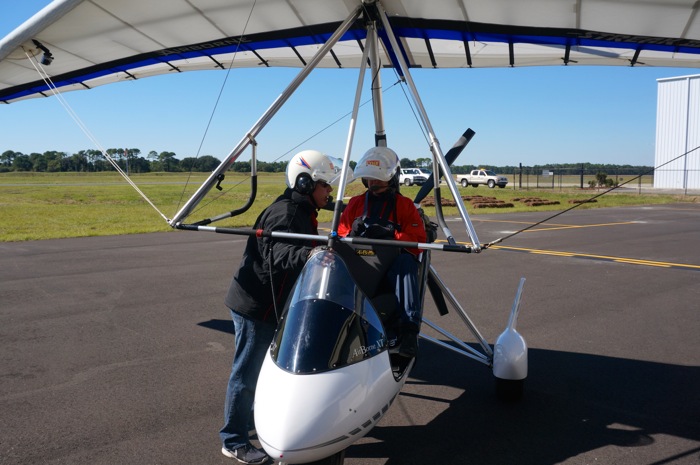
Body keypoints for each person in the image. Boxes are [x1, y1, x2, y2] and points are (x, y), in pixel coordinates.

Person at [220, 149, 347, 464]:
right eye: (325, 185)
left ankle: (251, 422)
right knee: (246, 373)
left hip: (267, 303)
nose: (329, 191)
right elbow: (278, 255)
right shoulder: (287, 214)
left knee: (260, 370)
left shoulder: (301, 211)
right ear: (305, 183)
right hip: (255, 307)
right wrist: (313, 254)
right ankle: (234, 440)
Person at [338, 146, 427, 359]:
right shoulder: (356, 203)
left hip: (390, 267)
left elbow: (419, 241)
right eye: (370, 179)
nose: (373, 183)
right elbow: (340, 233)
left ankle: (408, 332)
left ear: (392, 178)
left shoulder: (404, 206)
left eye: (378, 179)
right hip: (362, 264)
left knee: (406, 264)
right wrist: (353, 232)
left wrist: (392, 235)